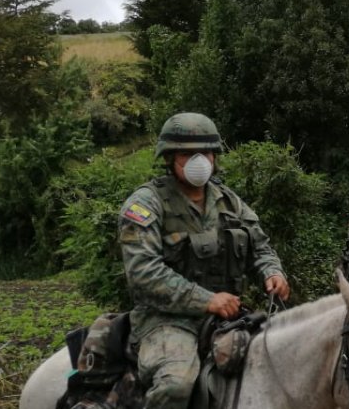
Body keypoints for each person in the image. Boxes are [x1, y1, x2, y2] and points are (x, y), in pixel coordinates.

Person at [118, 112, 290, 409]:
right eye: (187, 153)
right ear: (170, 158)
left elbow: (260, 246)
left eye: (206, 152)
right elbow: (143, 272)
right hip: (166, 320)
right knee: (175, 384)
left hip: (229, 316)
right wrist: (206, 300)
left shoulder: (229, 201)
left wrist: (272, 271)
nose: (199, 161)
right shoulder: (145, 204)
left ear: (214, 156)